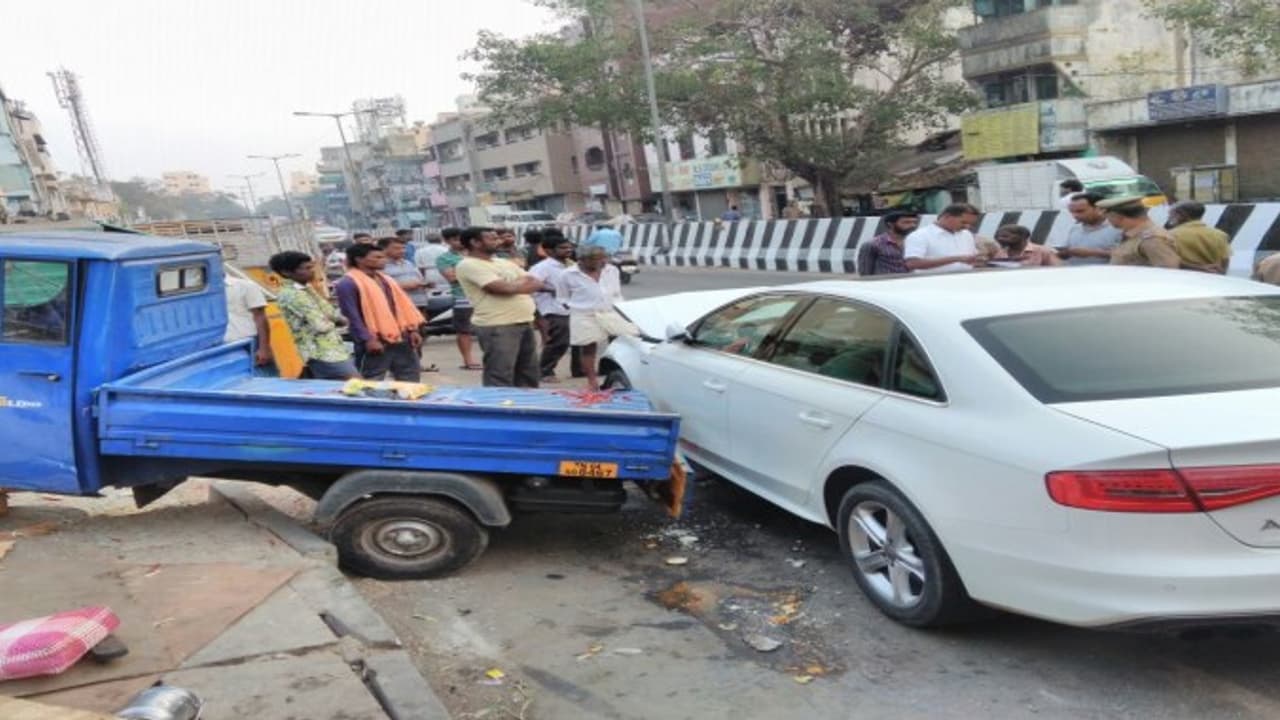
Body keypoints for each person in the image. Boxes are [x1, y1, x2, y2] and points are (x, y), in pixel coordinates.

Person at [455, 227, 543, 387]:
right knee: (500, 374)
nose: (498, 241)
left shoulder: (502, 262)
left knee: (528, 373)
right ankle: (499, 408)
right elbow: (501, 289)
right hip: (498, 326)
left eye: (497, 238)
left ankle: (526, 408)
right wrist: (517, 285)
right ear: (475, 242)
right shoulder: (468, 265)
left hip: (523, 321)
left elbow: (536, 282)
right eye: (492, 239)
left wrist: (512, 286)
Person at [335, 243, 425, 381]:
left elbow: (399, 307)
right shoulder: (347, 284)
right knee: (371, 380)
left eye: (383, 257)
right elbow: (352, 316)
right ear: (359, 259)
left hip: (401, 337)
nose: (383, 260)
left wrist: (412, 330)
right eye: (377, 257)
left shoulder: (386, 280)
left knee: (410, 377)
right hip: (375, 340)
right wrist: (368, 339)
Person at [268, 251, 359, 379]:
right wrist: (333, 320)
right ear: (286, 272)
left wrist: (332, 319)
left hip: (332, 349)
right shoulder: (292, 294)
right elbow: (321, 326)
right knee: (354, 384)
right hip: (322, 353)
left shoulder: (305, 288)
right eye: (306, 268)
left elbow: (331, 313)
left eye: (311, 267)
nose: (312, 271)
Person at [555, 246, 625, 391]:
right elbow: (562, 298)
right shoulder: (567, 275)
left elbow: (617, 292)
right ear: (582, 260)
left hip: (611, 311)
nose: (602, 262)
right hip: (584, 313)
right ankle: (592, 381)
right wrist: (577, 309)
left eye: (603, 258)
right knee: (588, 347)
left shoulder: (611, 270)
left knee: (623, 342)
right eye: (597, 260)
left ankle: (616, 375)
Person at [528, 234, 576, 383]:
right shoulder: (542, 267)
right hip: (553, 308)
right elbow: (531, 283)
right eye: (563, 248)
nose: (568, 250)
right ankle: (544, 371)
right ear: (548, 250)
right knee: (559, 341)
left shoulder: (570, 264)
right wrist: (553, 289)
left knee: (581, 340)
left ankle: (579, 370)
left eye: (569, 247)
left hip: (573, 308)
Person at [437, 227, 480, 370]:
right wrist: (476, 274)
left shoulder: (476, 254)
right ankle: (468, 360)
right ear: (447, 241)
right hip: (462, 297)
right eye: (455, 239)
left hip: (483, 296)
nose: (460, 242)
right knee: (464, 330)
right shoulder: (444, 258)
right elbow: (451, 277)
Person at [1099, 196, 1181, 268]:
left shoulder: (1153, 239)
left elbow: (1168, 273)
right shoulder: (1135, 234)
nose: (1108, 220)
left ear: (1117, 217)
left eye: (1107, 216)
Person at [904, 203, 982, 274]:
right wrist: (956, 259)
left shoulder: (966, 234)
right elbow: (912, 263)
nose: (967, 227)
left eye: (970, 224)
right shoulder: (920, 235)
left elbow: (971, 259)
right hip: (932, 284)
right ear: (947, 216)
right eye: (963, 222)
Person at [224, 275, 274, 373]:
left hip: (249, 343)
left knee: (260, 378)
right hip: (221, 345)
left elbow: (260, 316)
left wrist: (264, 347)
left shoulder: (245, 286)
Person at [379, 236, 433, 323]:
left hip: (419, 303)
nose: (402, 251)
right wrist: (405, 285)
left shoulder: (408, 263)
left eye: (403, 248)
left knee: (421, 331)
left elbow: (419, 278)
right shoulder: (380, 266)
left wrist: (424, 284)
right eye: (396, 248)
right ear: (383, 249)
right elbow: (379, 285)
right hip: (398, 305)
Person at [1167, 201, 1232, 274]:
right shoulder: (1220, 235)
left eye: (1171, 214)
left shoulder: (1170, 235)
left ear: (1182, 215)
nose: (1169, 218)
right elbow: (1225, 261)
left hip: (1184, 279)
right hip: (1213, 279)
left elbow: (1169, 261)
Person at [1059, 192, 1122, 265]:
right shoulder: (1075, 229)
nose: (1075, 216)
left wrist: (1093, 253)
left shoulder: (1118, 229)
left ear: (1099, 209)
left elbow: (1130, 256)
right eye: (1072, 212)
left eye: (1080, 211)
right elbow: (1066, 253)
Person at [857, 210, 919, 276]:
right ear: (890, 224)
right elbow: (865, 273)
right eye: (906, 222)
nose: (912, 225)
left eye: (914, 222)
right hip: (884, 284)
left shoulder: (916, 242)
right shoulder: (873, 244)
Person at [992, 225, 1061, 267]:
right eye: (998, 236)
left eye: (1005, 236)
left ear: (1022, 236)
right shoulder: (1000, 253)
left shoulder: (1043, 251)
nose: (1000, 239)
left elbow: (1058, 270)